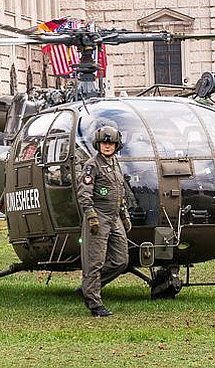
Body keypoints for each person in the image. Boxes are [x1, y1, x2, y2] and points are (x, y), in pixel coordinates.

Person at [76, 126, 132, 317]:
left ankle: (88, 286)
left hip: (114, 217)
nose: (107, 146)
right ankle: (94, 303)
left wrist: (124, 215)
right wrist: (91, 216)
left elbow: (120, 191)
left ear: (116, 146)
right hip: (98, 218)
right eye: (104, 143)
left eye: (111, 143)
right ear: (98, 144)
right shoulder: (92, 165)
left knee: (121, 260)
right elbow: (84, 193)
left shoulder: (115, 163)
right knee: (95, 262)